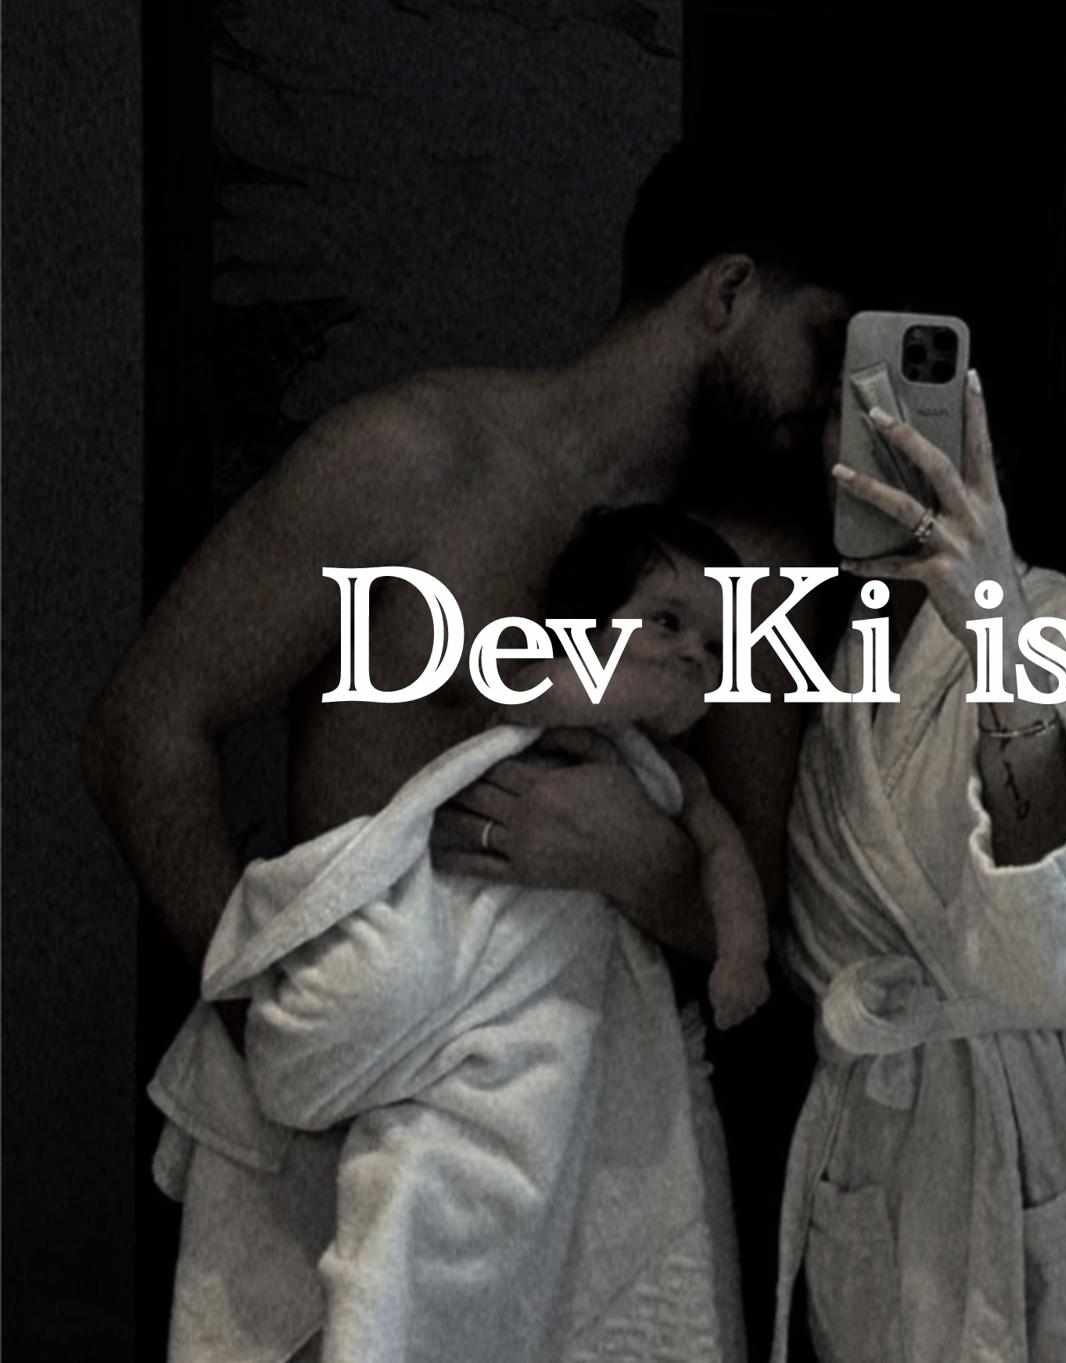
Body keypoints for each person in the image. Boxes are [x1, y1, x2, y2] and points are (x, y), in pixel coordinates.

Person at [80, 137, 855, 1358]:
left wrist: (639, 863)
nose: (832, 391)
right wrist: (277, 1017)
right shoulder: (405, 466)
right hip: (342, 1160)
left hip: (582, 1183)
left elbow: (757, 905)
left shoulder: (738, 580)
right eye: (820, 337)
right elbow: (145, 726)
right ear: (725, 293)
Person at [183, 506, 766, 1362]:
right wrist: (622, 687)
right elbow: (520, 689)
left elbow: (726, 861)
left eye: (715, 648)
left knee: (493, 1158)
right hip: (459, 931)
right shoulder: (547, 690)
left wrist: (743, 955)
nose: (690, 656)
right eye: (667, 622)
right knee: (380, 986)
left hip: (544, 1005)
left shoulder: (679, 777)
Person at [768, 375, 1066, 1361]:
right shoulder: (839, 655)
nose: (871, 443)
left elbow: (1064, 950)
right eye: (846, 412)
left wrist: (996, 637)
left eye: (907, 412)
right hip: (890, 1163)